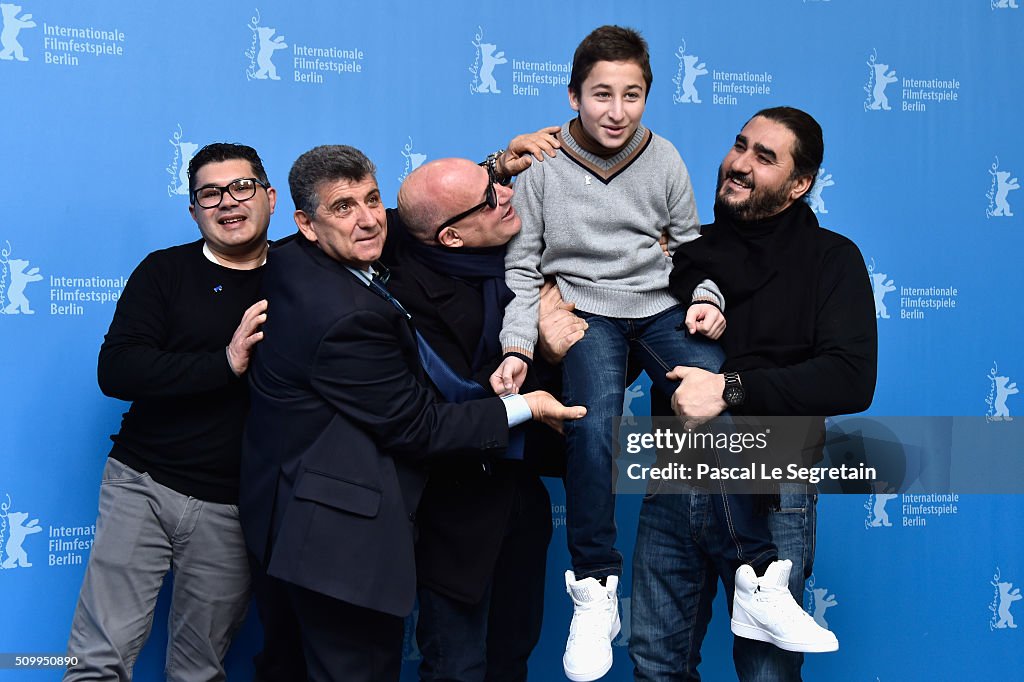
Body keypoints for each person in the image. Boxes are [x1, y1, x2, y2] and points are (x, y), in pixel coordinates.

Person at [238, 144, 585, 682]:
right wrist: (525, 403)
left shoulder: (292, 261)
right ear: (305, 223)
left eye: (372, 199)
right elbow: (420, 426)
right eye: (343, 207)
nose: (369, 220)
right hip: (344, 536)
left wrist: (492, 169)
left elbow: (418, 215)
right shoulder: (347, 316)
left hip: (319, 520)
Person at [490, 25, 729, 682]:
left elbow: (693, 253)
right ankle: (595, 588)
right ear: (573, 95)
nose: (617, 111)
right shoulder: (540, 165)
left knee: (722, 393)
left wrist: (709, 297)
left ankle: (754, 568)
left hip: (657, 304)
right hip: (584, 310)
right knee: (591, 427)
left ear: (648, 96)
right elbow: (523, 268)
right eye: (601, 94)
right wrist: (518, 343)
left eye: (632, 95)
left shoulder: (666, 158)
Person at [629, 106, 878, 681]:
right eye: (739, 146)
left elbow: (850, 377)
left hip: (773, 490)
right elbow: (628, 353)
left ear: (799, 184)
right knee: (654, 667)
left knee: (767, 672)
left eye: (764, 157)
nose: (739, 164)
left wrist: (729, 389)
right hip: (676, 479)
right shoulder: (683, 253)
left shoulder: (831, 260)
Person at [64, 143, 275, 681]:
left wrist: (492, 170)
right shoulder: (163, 271)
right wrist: (224, 363)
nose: (227, 202)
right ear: (193, 211)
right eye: (210, 193)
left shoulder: (303, 273)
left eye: (242, 187)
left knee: (198, 671)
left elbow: (387, 217)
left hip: (232, 506)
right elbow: (117, 370)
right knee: (96, 660)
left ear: (271, 198)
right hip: (143, 483)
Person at [389, 149, 583, 682]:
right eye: (489, 195)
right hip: (453, 511)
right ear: (450, 237)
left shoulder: (537, 265)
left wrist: (496, 162)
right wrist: (540, 348)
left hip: (522, 502)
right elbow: (450, 406)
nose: (506, 194)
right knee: (457, 666)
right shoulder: (402, 293)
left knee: (511, 661)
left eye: (496, 183)